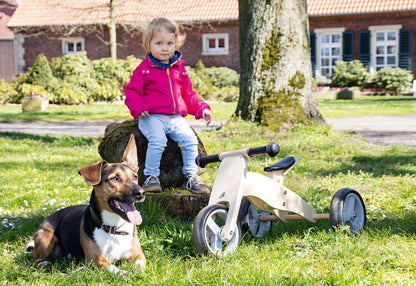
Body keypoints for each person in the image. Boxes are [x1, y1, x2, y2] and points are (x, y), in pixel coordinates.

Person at [124, 17, 212, 194]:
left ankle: (191, 176)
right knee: (158, 140)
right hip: (152, 117)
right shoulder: (144, 69)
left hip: (175, 118)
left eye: (170, 43)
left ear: (176, 43)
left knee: (190, 140)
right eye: (159, 43)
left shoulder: (179, 68)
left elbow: (189, 94)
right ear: (148, 44)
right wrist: (139, 108)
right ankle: (150, 177)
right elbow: (132, 91)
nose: (165, 48)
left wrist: (202, 109)